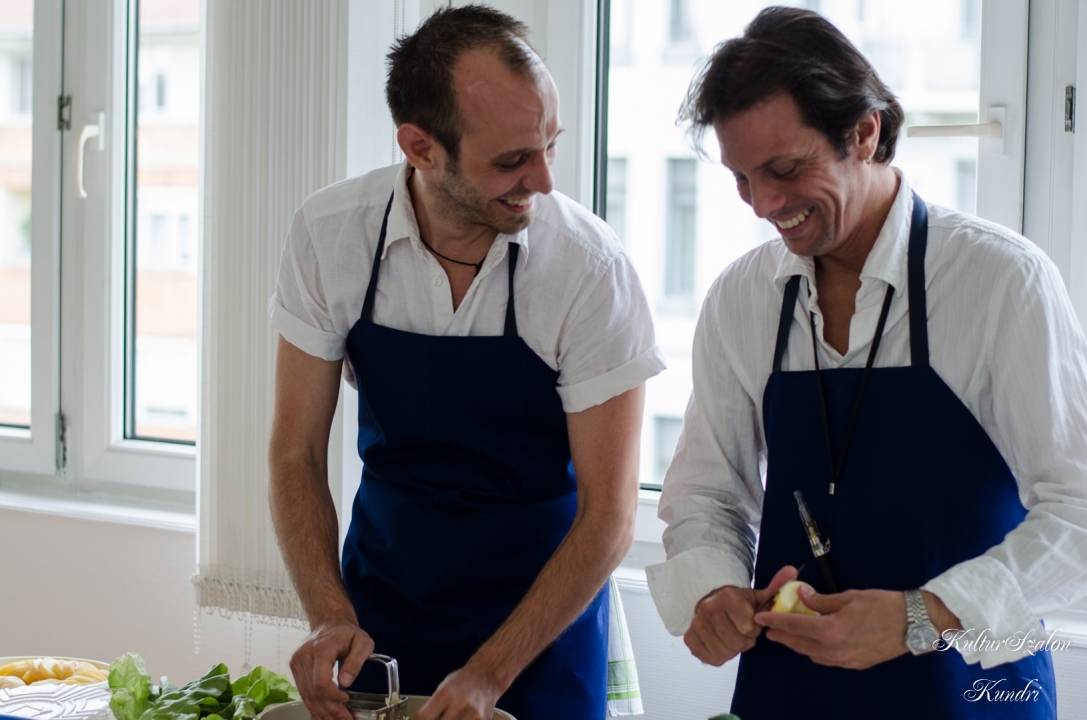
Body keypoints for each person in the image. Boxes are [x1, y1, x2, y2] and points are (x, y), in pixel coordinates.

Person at [646, 7, 1087, 719]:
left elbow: (1079, 512)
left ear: (864, 132)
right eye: (742, 179)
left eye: (785, 170)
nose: (763, 204)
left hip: (971, 691)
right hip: (789, 695)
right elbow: (706, 495)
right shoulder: (741, 298)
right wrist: (713, 588)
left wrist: (923, 614)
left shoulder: (999, 280)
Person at [267, 6, 663, 720]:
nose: (543, 180)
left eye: (550, 145)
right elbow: (294, 453)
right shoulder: (330, 236)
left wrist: (488, 673)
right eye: (512, 160)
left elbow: (609, 515)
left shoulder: (588, 268)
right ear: (420, 147)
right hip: (382, 614)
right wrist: (328, 616)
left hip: (540, 632)